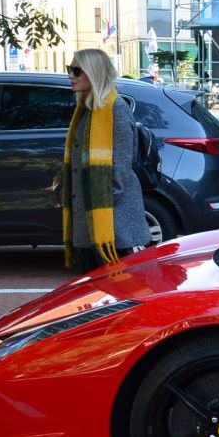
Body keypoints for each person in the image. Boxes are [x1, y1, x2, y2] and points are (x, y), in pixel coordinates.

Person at [64, 48, 152, 272]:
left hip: (114, 227)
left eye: (76, 71)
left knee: (119, 296)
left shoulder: (116, 111)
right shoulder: (86, 111)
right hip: (91, 223)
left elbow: (120, 170)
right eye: (69, 70)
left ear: (94, 72)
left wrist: (99, 207)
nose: (71, 76)